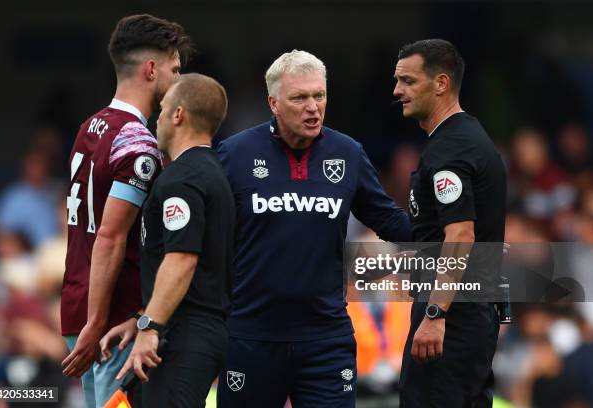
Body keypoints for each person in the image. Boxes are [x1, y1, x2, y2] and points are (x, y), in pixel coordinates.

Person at [216, 50, 411, 408]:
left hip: (326, 339)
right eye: (299, 97)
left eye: (319, 95)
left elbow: (388, 220)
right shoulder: (234, 154)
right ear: (273, 103)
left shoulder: (348, 153)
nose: (312, 107)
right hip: (252, 337)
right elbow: (205, 235)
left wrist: (454, 239)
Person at [60, 14, 189, 408]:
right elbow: (111, 236)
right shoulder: (138, 143)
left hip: (77, 301)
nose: (179, 81)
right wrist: (99, 321)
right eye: (175, 69)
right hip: (112, 319)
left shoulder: (91, 126)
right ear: (151, 69)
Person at [103, 73, 234, 407]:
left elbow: (182, 260)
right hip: (192, 329)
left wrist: (150, 325)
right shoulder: (210, 172)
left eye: (162, 109)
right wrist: (141, 318)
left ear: (178, 115)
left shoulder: (183, 180)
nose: (156, 117)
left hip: (184, 336)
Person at [393, 39, 506, 407]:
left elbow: (461, 233)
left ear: (441, 83)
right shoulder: (469, 138)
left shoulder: (451, 148)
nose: (398, 91)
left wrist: (435, 312)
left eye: (408, 81)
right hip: (471, 314)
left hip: (451, 318)